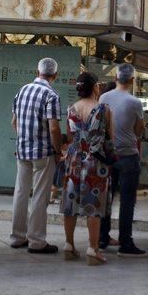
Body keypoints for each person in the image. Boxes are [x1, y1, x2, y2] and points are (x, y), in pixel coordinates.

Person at [60, 72, 114, 266]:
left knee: (71, 203)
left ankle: (69, 245)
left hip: (74, 159)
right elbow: (110, 139)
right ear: (95, 88)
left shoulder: (71, 109)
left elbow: (69, 136)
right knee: (94, 205)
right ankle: (93, 249)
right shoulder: (104, 109)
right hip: (95, 162)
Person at [9, 58, 62, 254]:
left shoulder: (22, 90)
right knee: (40, 195)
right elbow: (54, 128)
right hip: (43, 153)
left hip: (22, 150)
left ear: (36, 71)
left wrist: (24, 138)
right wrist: (57, 151)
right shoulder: (51, 95)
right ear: (54, 75)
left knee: (21, 192)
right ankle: (37, 240)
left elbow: (14, 122)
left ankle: (17, 236)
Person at [98, 64, 146, 257]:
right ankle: (126, 242)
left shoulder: (104, 98)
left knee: (106, 198)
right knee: (127, 201)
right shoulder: (135, 102)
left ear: (116, 78)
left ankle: (102, 236)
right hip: (128, 155)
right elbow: (139, 130)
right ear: (132, 80)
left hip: (108, 155)